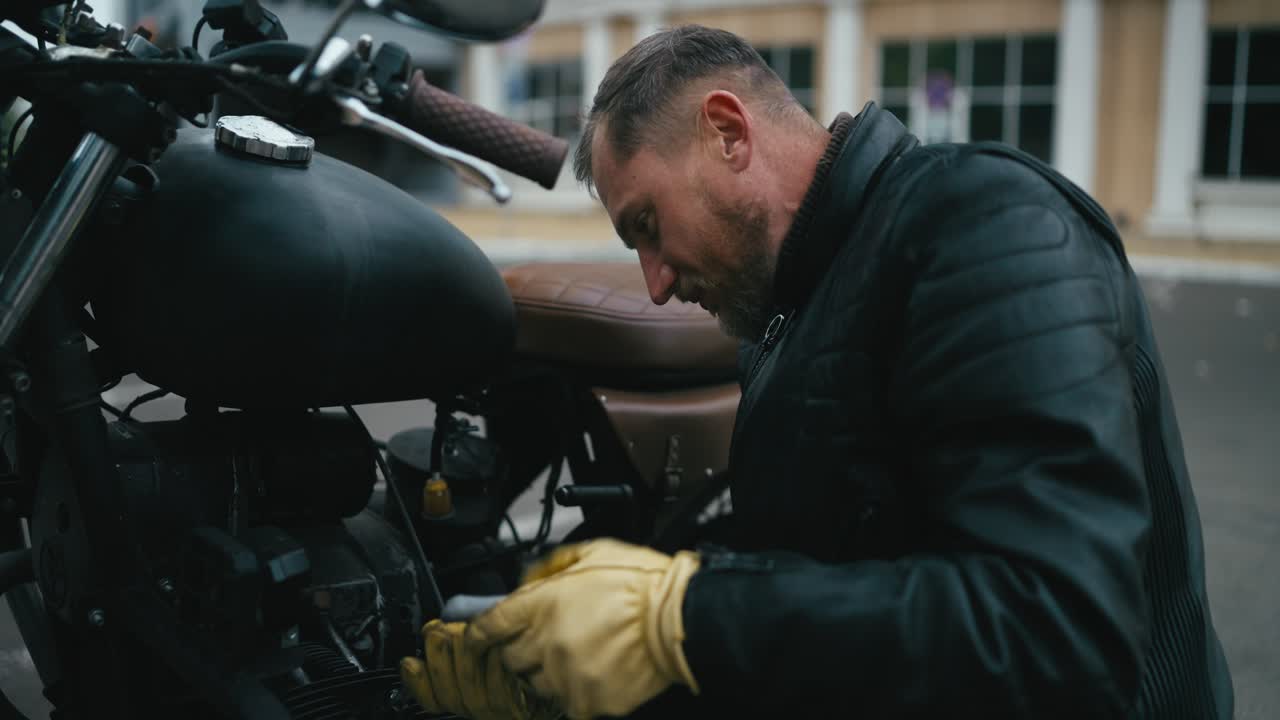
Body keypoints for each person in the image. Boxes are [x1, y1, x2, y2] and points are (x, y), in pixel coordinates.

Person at [398, 24, 1234, 720]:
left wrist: (678, 619)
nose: (654, 283)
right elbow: (815, 594)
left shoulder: (986, 227)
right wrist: (560, 677)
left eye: (648, 225)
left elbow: (1057, 632)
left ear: (727, 132)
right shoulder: (784, 313)